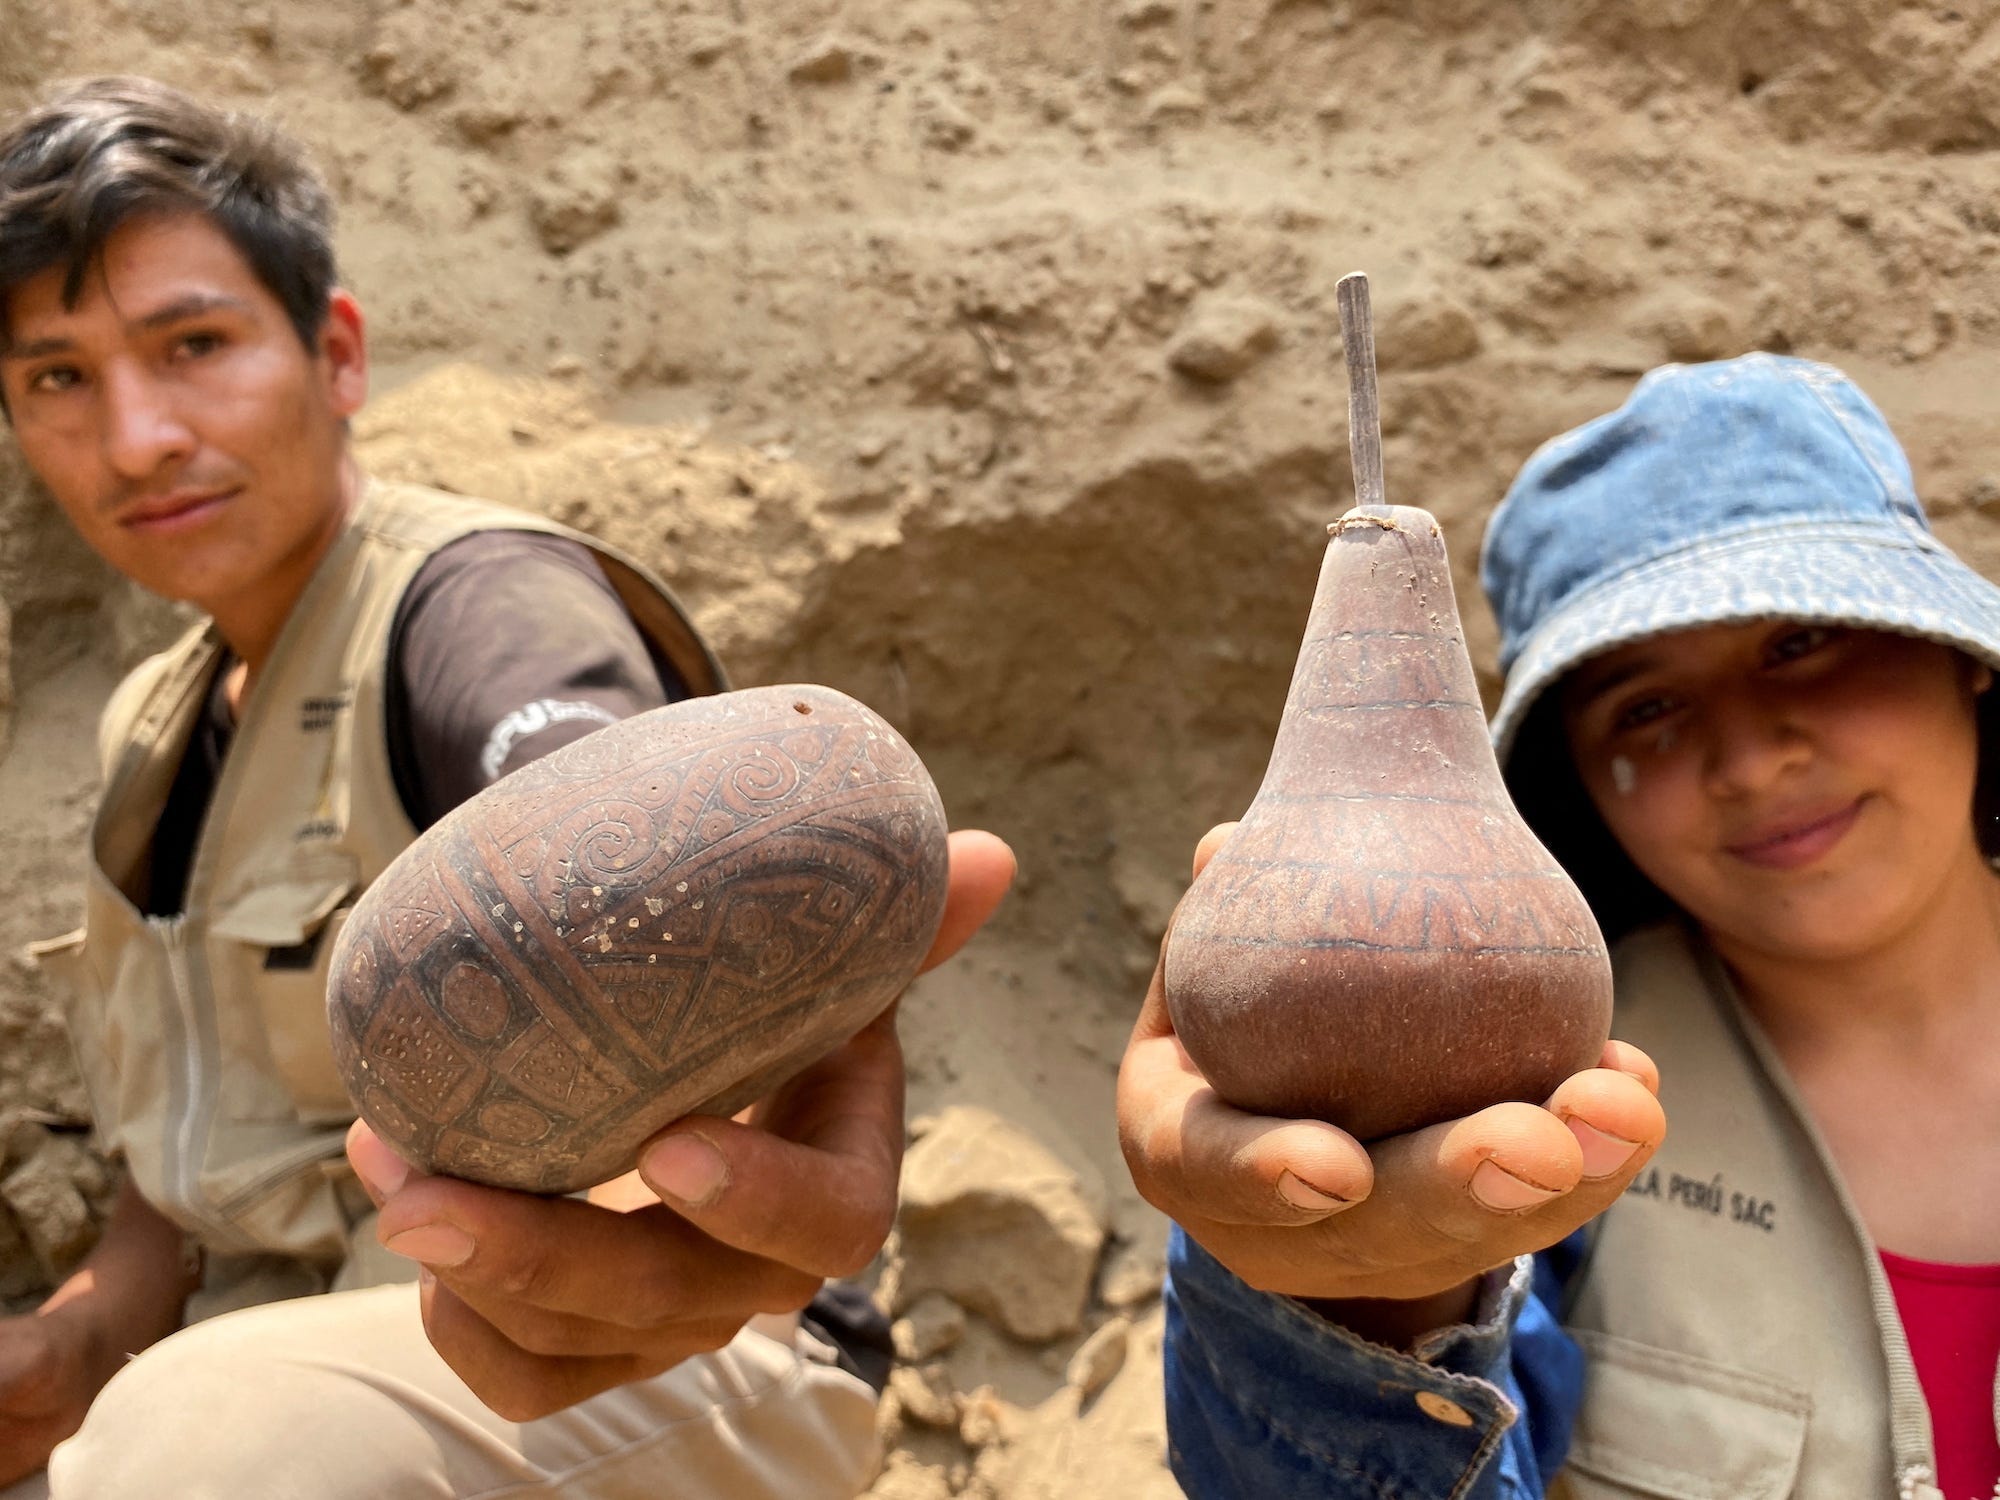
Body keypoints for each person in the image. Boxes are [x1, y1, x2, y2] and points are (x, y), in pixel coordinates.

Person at [0, 75, 1015, 1498]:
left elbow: (601, 859)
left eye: (194, 345)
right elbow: (175, 1174)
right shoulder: (152, 732)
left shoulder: (483, 609)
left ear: (336, 355)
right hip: (285, 1376)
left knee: (195, 1449)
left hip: (663, 1344)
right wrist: (75, 1339)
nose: (135, 437)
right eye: (59, 378)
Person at [1119, 353, 2000, 1498]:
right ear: (1578, 779)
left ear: (1958, 662)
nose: (1746, 760)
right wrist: (1348, 1308)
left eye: (1800, 644)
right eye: (1645, 707)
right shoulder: (1529, 1091)